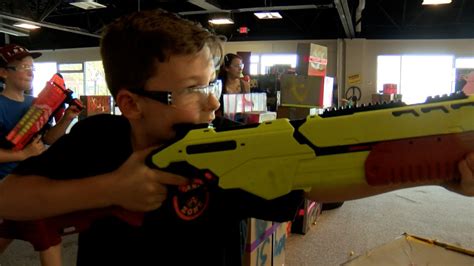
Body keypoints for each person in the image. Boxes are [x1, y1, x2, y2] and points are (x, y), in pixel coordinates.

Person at [0, 9, 472, 266]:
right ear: (131, 103)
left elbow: (317, 181)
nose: (213, 102)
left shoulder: (225, 144)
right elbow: (11, 197)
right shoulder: (100, 137)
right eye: (192, 90)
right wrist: (110, 189)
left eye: (211, 85)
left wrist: (434, 172)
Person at [0, 44, 82, 266]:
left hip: (31, 180)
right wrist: (23, 154)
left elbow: (47, 140)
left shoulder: (35, 104)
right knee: (50, 240)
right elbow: (29, 150)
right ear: (4, 72)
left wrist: (67, 118)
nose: (30, 71)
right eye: (23, 66)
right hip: (14, 186)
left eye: (32, 67)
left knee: (9, 232)